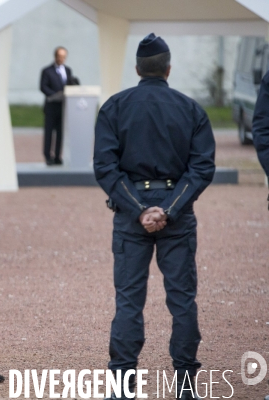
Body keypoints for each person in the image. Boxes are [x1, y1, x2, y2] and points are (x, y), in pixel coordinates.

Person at [94, 34, 215, 400]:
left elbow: (105, 167)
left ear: (137, 69)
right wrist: (170, 209)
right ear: (168, 69)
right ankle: (184, 387)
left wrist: (140, 209)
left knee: (129, 301)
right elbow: (202, 168)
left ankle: (121, 387)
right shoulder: (191, 109)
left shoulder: (115, 107)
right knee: (182, 300)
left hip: (132, 215)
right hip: (176, 215)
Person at [39, 46, 78, 165]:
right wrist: (55, 94)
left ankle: (57, 156)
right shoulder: (47, 71)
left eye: (64, 57)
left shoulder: (67, 70)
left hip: (63, 106)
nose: (61, 59)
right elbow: (43, 86)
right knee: (49, 132)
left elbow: (70, 84)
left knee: (60, 133)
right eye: (60, 56)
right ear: (55, 56)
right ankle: (47, 155)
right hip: (51, 105)